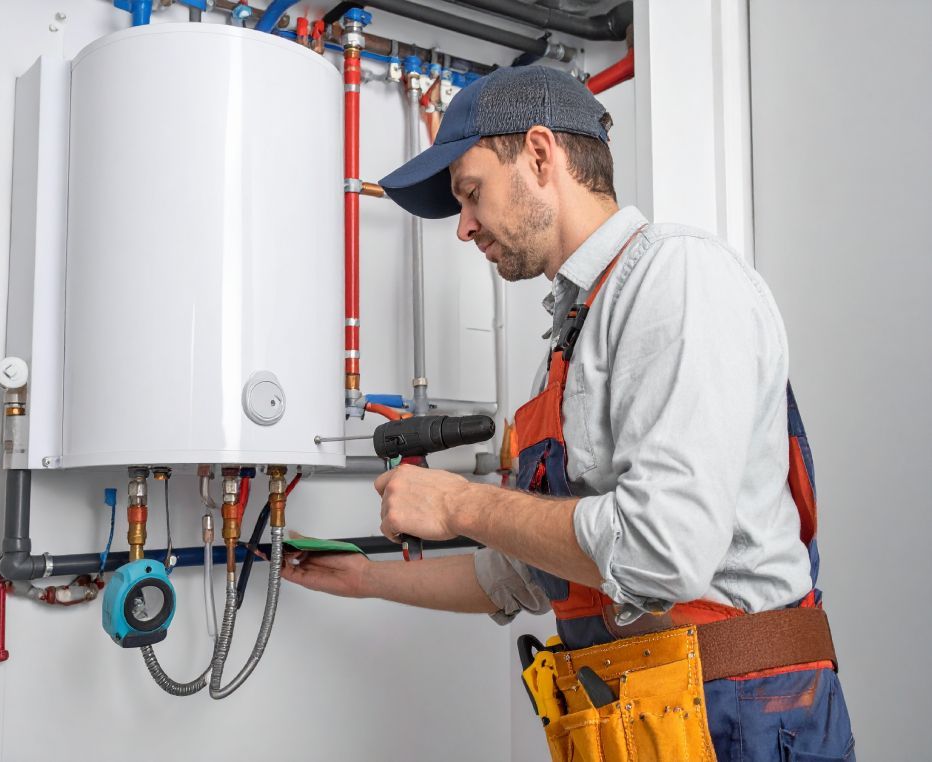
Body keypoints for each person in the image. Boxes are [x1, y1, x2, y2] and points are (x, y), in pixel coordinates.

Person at [282, 66, 854, 761]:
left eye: (471, 193)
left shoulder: (676, 278)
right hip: (648, 718)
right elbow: (526, 572)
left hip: (741, 716)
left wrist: (461, 505)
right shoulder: (572, 336)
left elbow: (660, 552)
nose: (464, 227)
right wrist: (364, 577)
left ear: (542, 154)